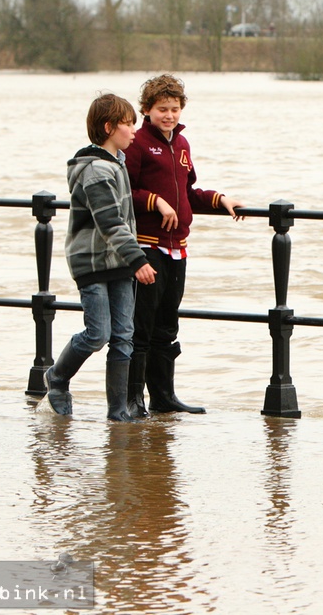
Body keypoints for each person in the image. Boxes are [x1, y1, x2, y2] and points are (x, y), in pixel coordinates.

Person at [125, 74, 245, 418]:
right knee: (141, 328)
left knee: (167, 327)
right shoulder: (136, 143)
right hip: (147, 247)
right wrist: (155, 202)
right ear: (146, 110)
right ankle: (134, 402)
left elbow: (189, 193)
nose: (169, 115)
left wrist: (220, 200)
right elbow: (125, 193)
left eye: (175, 109)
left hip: (178, 248)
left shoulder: (182, 145)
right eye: (162, 109)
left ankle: (164, 397)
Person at [45, 93, 157, 422]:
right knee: (98, 334)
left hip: (119, 262)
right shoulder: (95, 171)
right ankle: (57, 377)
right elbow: (109, 223)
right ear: (109, 127)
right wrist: (139, 260)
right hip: (92, 263)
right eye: (128, 123)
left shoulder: (118, 164)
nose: (134, 130)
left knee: (124, 336)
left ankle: (117, 412)